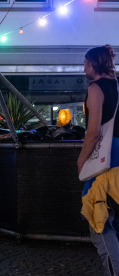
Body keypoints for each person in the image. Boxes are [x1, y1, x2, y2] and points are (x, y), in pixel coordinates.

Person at [78, 45, 119, 276]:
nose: (83, 68)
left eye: (85, 63)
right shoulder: (117, 85)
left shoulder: (95, 89)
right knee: (114, 220)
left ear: (93, 64)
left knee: (100, 223)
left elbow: (93, 132)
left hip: (105, 161)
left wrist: (81, 160)